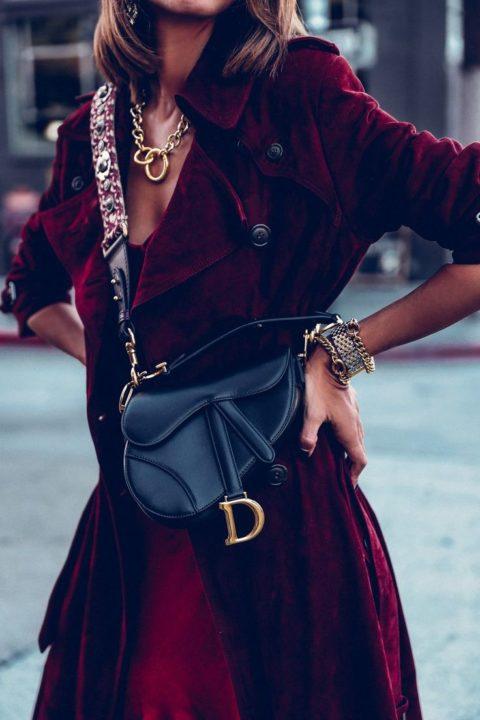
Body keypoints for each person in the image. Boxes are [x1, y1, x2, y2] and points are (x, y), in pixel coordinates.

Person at [2, 0, 480, 718]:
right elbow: (31, 289)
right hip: (136, 531)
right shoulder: (90, 131)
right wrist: (131, 379)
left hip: (274, 524)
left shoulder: (303, 92)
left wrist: (339, 355)